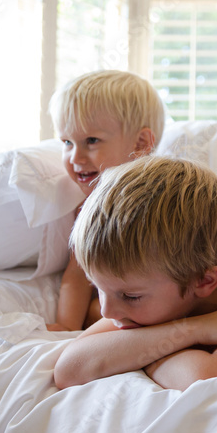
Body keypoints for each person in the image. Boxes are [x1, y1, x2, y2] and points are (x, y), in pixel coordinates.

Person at [53, 156, 217, 391]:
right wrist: (200, 328)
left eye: (130, 296)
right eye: (98, 288)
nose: (108, 311)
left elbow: (204, 378)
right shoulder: (143, 297)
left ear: (204, 281)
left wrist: (134, 353)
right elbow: (69, 369)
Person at [48, 70, 165, 332]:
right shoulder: (91, 207)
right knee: (95, 313)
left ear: (141, 143)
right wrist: (66, 326)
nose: (76, 157)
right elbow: (77, 276)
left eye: (91, 141)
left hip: (171, 299)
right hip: (126, 307)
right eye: (67, 142)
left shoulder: (164, 196)